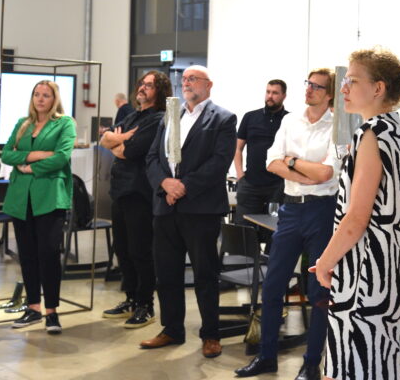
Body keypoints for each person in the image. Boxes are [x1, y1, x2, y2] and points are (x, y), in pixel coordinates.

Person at [314, 47, 400, 380]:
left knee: (352, 367)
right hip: (393, 274)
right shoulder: (399, 133)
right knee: (382, 364)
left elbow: (357, 217)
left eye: (353, 81)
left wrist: (326, 261)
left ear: (378, 88)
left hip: (366, 277)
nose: (343, 88)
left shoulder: (371, 133)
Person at [235, 69, 337, 380]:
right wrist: (302, 172)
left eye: (317, 86)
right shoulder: (291, 121)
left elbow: (326, 173)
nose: (310, 89)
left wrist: (290, 162)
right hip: (290, 209)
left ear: (330, 94)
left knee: (319, 290)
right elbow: (270, 161)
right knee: (273, 285)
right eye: (308, 84)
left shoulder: (336, 125)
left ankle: (311, 364)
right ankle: (267, 356)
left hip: (322, 211)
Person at [142, 65, 236, 358]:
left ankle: (211, 334)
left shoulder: (222, 118)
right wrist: (165, 183)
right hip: (165, 207)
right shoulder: (172, 115)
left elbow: (219, 162)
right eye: (184, 79)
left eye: (193, 79)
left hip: (200, 209)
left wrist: (183, 187)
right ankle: (172, 329)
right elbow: (152, 157)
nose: (186, 83)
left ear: (209, 85)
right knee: (166, 274)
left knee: (205, 275)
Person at [1, 80, 77, 334]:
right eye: (37, 94)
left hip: (49, 197)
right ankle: (33, 307)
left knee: (48, 254)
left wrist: (30, 166)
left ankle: (51, 312)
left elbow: (62, 157)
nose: (40, 99)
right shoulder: (23, 124)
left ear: (55, 99)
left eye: (46, 95)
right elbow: (6, 154)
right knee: (27, 254)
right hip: (21, 198)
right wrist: (38, 155)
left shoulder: (65, 123)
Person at [100, 71, 171, 328]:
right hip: (120, 192)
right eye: (142, 84)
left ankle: (145, 304)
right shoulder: (132, 116)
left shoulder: (158, 119)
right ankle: (130, 298)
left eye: (149, 85)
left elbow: (130, 152)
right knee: (122, 250)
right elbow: (104, 139)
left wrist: (119, 142)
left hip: (140, 194)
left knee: (140, 251)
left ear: (160, 91)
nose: (142, 88)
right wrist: (120, 138)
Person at [233, 79, 289, 242]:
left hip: (277, 185)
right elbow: (237, 148)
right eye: (268, 92)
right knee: (243, 232)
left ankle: (269, 258)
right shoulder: (250, 117)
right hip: (250, 183)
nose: (270, 96)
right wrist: (240, 175)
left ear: (284, 96)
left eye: (275, 93)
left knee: (274, 232)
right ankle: (245, 258)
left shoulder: (290, 120)